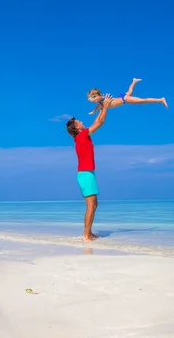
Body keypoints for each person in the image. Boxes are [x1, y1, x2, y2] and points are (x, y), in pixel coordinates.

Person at [66, 93, 112, 242]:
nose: (81, 122)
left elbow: (97, 120)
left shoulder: (81, 136)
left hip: (87, 174)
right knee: (91, 206)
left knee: (94, 205)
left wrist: (102, 106)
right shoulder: (81, 136)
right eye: (78, 122)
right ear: (77, 128)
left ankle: (88, 233)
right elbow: (100, 122)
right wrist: (105, 106)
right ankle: (86, 235)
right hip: (85, 174)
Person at [87, 78, 167, 115]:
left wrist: (92, 99)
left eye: (91, 98)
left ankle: (160, 100)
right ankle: (134, 81)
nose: (90, 100)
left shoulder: (104, 98)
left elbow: (102, 102)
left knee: (142, 101)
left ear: (96, 96)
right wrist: (93, 111)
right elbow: (98, 106)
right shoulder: (100, 101)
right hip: (122, 97)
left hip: (124, 99)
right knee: (130, 91)